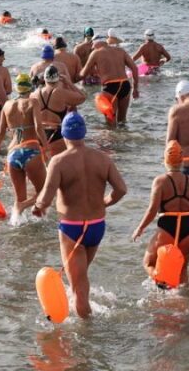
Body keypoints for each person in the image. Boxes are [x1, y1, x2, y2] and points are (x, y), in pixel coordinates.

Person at [33, 112, 127, 318]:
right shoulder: (102, 159)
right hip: (97, 226)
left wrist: (38, 206)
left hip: (72, 229)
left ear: (64, 135)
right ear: (84, 133)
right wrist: (105, 202)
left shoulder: (58, 162)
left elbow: (46, 197)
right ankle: (84, 312)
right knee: (81, 278)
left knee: (79, 288)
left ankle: (85, 338)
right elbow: (121, 189)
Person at [132, 140, 189, 287]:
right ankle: (182, 299)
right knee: (182, 269)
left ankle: (161, 281)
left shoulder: (160, 181)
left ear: (165, 159)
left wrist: (140, 228)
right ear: (182, 159)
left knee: (148, 262)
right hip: (188, 226)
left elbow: (152, 209)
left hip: (167, 225)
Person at [0, 73, 48, 218]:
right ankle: (27, 208)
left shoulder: (7, 105)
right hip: (31, 152)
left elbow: (0, 132)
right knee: (45, 192)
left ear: (16, 88)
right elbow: (39, 128)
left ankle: (17, 220)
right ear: (30, 87)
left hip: (13, 155)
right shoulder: (33, 102)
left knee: (19, 198)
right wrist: (47, 150)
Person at [80, 35, 139, 124]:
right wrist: (135, 88)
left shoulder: (96, 53)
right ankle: (126, 137)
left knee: (111, 124)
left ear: (96, 42)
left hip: (110, 87)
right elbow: (135, 68)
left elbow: (83, 74)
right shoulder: (120, 51)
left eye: (92, 44)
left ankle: (114, 137)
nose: (92, 46)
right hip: (125, 85)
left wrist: (71, 77)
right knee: (122, 121)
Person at [32, 65, 86, 157]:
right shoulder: (60, 92)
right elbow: (82, 97)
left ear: (44, 78)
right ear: (58, 79)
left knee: (43, 168)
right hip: (56, 134)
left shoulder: (34, 94)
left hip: (38, 134)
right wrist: (69, 83)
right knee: (60, 165)